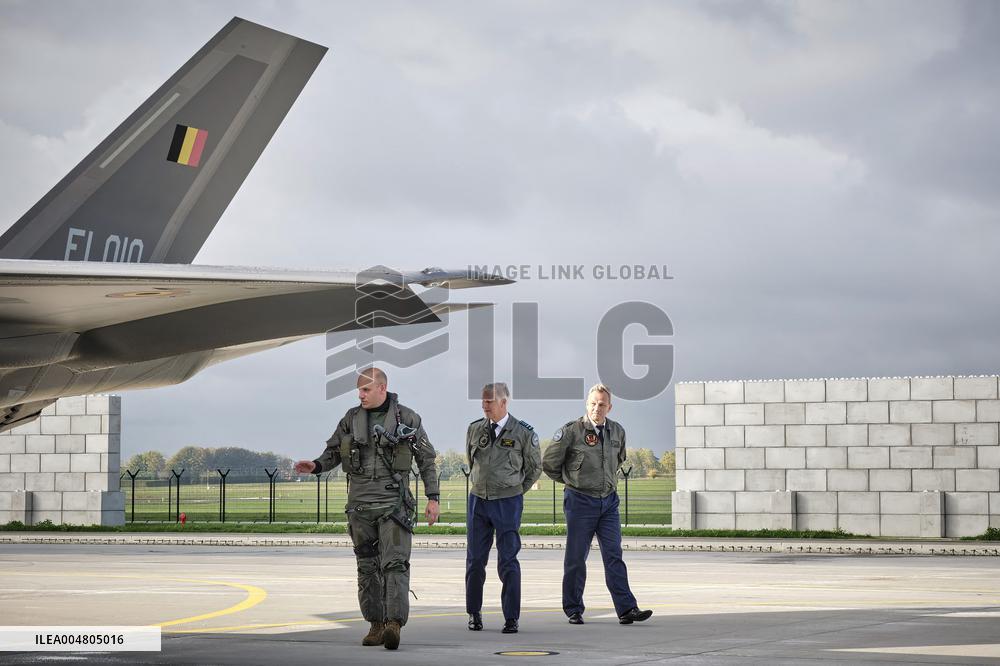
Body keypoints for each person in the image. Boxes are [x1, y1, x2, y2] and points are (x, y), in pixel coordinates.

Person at [294, 367, 440, 650]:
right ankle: (375, 624)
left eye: (365, 390)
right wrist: (315, 466)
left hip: (393, 504)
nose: (360, 395)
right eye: (359, 390)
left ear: (382, 388)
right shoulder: (350, 419)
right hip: (360, 506)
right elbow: (334, 451)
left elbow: (426, 459)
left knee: (394, 564)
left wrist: (432, 498)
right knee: (366, 567)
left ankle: (394, 623)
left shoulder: (408, 419)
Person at [541, 383, 652, 626]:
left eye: (602, 404)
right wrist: (571, 480)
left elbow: (618, 458)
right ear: (586, 404)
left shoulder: (617, 431)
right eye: (593, 403)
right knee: (576, 557)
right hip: (580, 501)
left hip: (608, 501)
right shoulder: (572, 431)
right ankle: (573, 608)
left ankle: (626, 609)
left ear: (609, 407)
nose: (597, 408)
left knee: (614, 555)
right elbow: (549, 463)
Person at [465, 382, 541, 634]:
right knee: (475, 560)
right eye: (483, 401)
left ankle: (511, 617)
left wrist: (516, 489)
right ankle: (474, 613)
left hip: (507, 502)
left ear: (503, 402)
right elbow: (471, 461)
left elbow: (534, 468)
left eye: (489, 401)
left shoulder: (523, 433)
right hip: (478, 501)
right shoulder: (475, 429)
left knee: (507, 561)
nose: (484, 405)